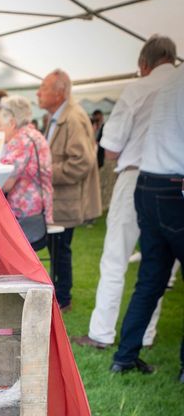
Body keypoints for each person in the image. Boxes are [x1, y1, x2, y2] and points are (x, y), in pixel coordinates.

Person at [74, 35, 177, 350]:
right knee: (157, 263)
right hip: (174, 184)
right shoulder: (179, 86)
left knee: (115, 257)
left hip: (136, 178)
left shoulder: (138, 88)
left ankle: (102, 333)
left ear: (143, 64)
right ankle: (146, 334)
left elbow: (113, 148)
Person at [111, 64, 184, 381]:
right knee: (152, 278)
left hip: (149, 183)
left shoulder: (171, 82)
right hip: (174, 186)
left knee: (151, 279)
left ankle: (124, 358)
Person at [38, 69, 101, 312]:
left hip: (67, 198)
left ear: (59, 92)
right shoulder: (58, 117)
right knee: (57, 248)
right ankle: (59, 293)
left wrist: (46, 171)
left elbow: (81, 162)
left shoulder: (73, 117)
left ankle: (63, 297)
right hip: (60, 198)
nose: (38, 93)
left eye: (43, 87)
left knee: (60, 248)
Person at [0, 95, 53, 228]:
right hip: (39, 210)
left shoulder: (20, 141)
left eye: (0, 126)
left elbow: (5, 183)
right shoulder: (34, 135)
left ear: (12, 123)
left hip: (25, 213)